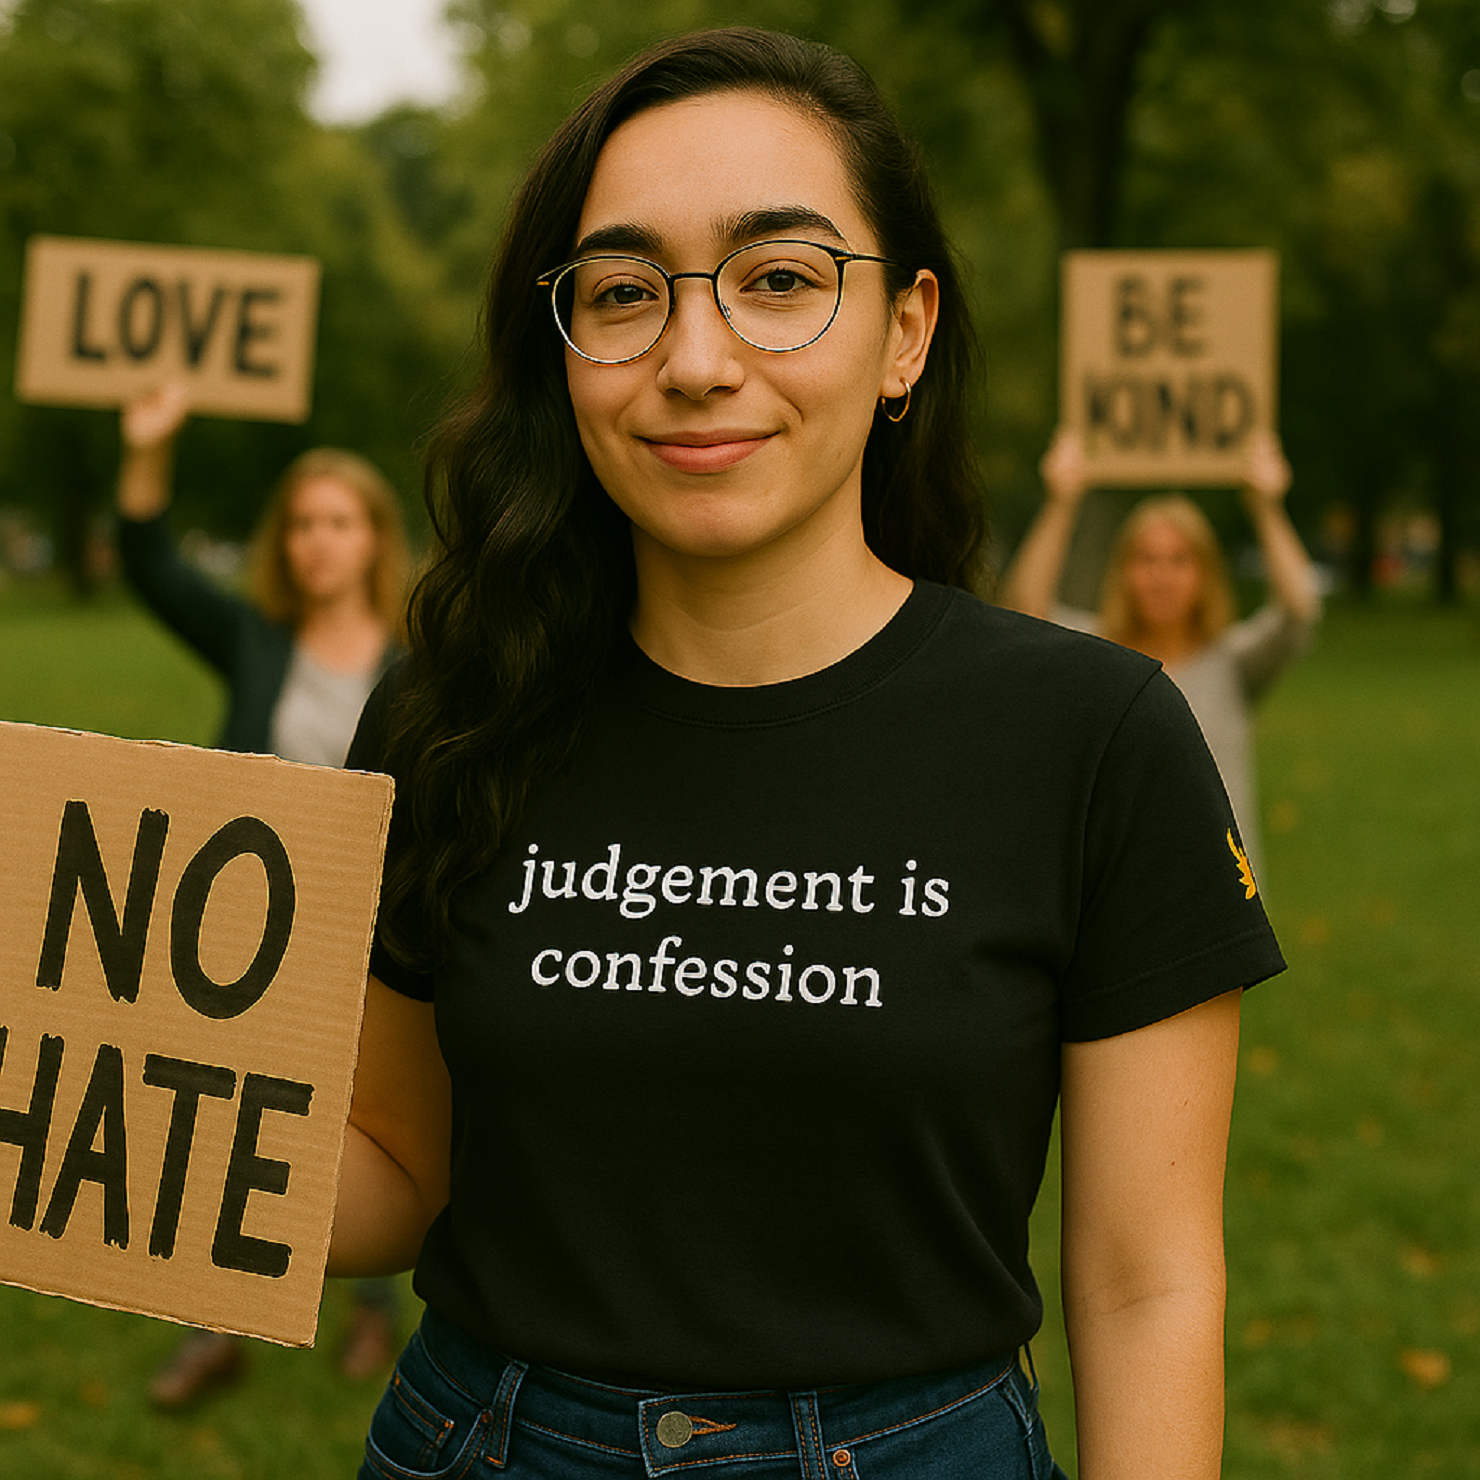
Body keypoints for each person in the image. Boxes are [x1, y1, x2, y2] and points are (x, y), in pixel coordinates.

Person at [332, 28, 1285, 1480]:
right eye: (623, 292)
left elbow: (1146, 1283)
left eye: (779, 279)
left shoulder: (1094, 737)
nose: (694, 361)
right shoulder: (447, 714)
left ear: (906, 331)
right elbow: (400, 1175)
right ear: (562, 348)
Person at [115, 384, 411, 1405]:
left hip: (371, 928)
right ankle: (213, 1327)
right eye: (301, 524)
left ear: (374, 539)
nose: (317, 541)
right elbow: (151, 566)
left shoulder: (419, 661)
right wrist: (148, 446)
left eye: (338, 522)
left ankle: (373, 1308)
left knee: (362, 1116)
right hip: (250, 930)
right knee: (228, 1114)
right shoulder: (255, 640)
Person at [998, 426, 1322, 874]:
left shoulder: (1232, 662)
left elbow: (1299, 610)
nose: (1161, 576)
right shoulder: (1098, 657)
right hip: (1118, 888)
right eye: (1146, 559)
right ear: (1123, 571)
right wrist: (1061, 502)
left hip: (1216, 887)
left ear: (1205, 574)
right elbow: (1023, 613)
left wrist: (1266, 507)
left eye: (1179, 560)